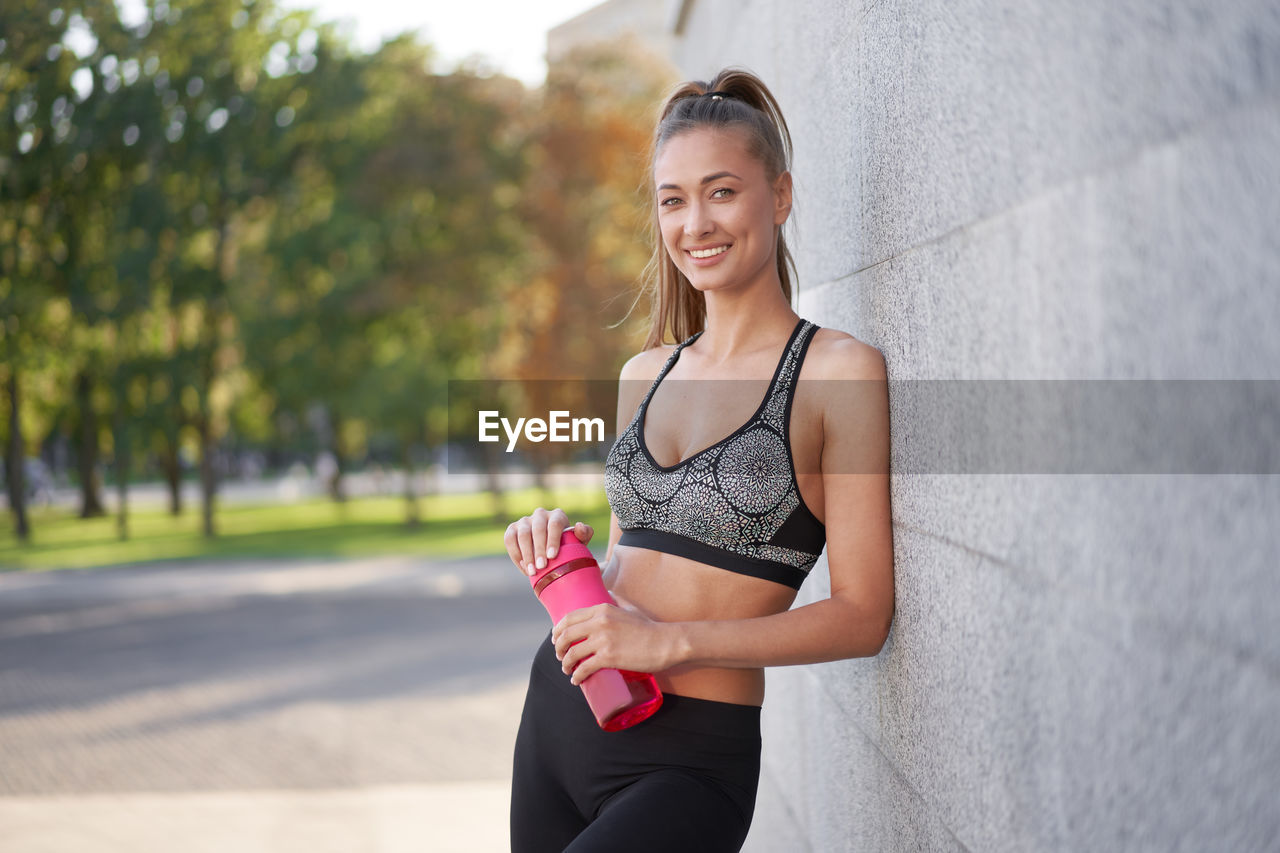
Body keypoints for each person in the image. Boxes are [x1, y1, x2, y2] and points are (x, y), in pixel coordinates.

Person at [505, 67, 894, 853]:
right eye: (672, 198)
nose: (694, 222)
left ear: (778, 197)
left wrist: (669, 643)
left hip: (689, 765)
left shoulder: (835, 372)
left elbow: (863, 614)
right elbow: (626, 565)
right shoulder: (644, 374)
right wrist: (559, 558)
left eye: (721, 191)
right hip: (561, 712)